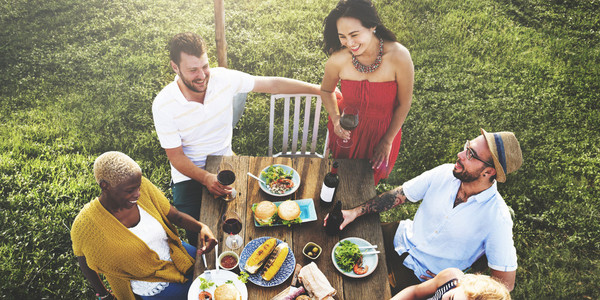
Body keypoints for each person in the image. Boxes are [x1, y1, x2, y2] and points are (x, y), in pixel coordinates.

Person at [152, 32, 321, 245]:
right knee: (201, 236)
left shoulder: (223, 78)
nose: (202, 75)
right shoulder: (163, 104)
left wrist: (320, 91)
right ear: (175, 67)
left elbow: (272, 85)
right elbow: (175, 157)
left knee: (250, 218)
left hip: (225, 160)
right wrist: (205, 178)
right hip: (189, 175)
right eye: (193, 70)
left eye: (205, 66)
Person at [325, 129, 523, 293]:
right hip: (398, 238)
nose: (460, 155)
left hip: (420, 278)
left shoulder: (498, 218)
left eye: (470, 154)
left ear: (488, 172)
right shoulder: (445, 172)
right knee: (332, 243)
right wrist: (355, 212)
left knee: (358, 292)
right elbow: (400, 194)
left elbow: (505, 284)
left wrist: (460, 282)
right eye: (466, 147)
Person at [71, 151, 217, 300]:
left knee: (220, 275)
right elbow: (84, 260)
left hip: (177, 253)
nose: (138, 194)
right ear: (105, 186)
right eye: (130, 191)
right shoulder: (86, 224)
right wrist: (103, 294)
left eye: (138, 187)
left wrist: (201, 227)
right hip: (152, 282)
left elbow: (175, 216)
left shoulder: (141, 186)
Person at [320, 0, 414, 184]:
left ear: (372, 26)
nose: (350, 43)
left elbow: (404, 103)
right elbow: (326, 90)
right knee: (341, 174)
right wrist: (336, 118)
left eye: (354, 34)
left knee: (367, 182)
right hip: (347, 129)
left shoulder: (399, 56)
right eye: (343, 36)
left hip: (381, 133)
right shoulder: (338, 59)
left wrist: (387, 141)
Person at [391, 267, 511, 300]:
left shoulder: (459, 291)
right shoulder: (450, 278)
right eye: (451, 299)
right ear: (461, 284)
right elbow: (415, 292)